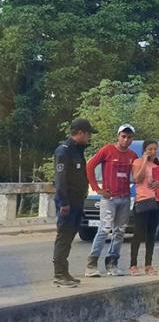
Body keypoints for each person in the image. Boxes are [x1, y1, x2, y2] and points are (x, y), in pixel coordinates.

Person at [85, 124, 138, 277]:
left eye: (129, 137)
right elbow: (90, 166)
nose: (126, 140)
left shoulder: (132, 156)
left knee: (120, 231)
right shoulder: (107, 150)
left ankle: (112, 263)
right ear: (118, 136)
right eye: (123, 136)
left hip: (125, 197)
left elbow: (138, 174)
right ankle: (91, 264)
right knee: (104, 229)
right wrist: (97, 188)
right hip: (109, 198)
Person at [51, 118, 96, 288]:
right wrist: (64, 202)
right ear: (81, 132)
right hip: (67, 202)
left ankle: (65, 271)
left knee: (70, 236)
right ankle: (59, 274)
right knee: (63, 236)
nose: (89, 137)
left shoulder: (77, 151)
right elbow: (61, 180)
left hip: (77, 201)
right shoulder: (64, 152)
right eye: (89, 133)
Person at [129, 140, 159, 276]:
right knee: (139, 233)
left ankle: (148, 265)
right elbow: (137, 178)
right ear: (144, 150)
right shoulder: (137, 162)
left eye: (155, 149)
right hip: (143, 200)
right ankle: (133, 265)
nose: (153, 152)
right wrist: (144, 161)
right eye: (150, 149)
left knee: (151, 233)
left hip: (157, 200)